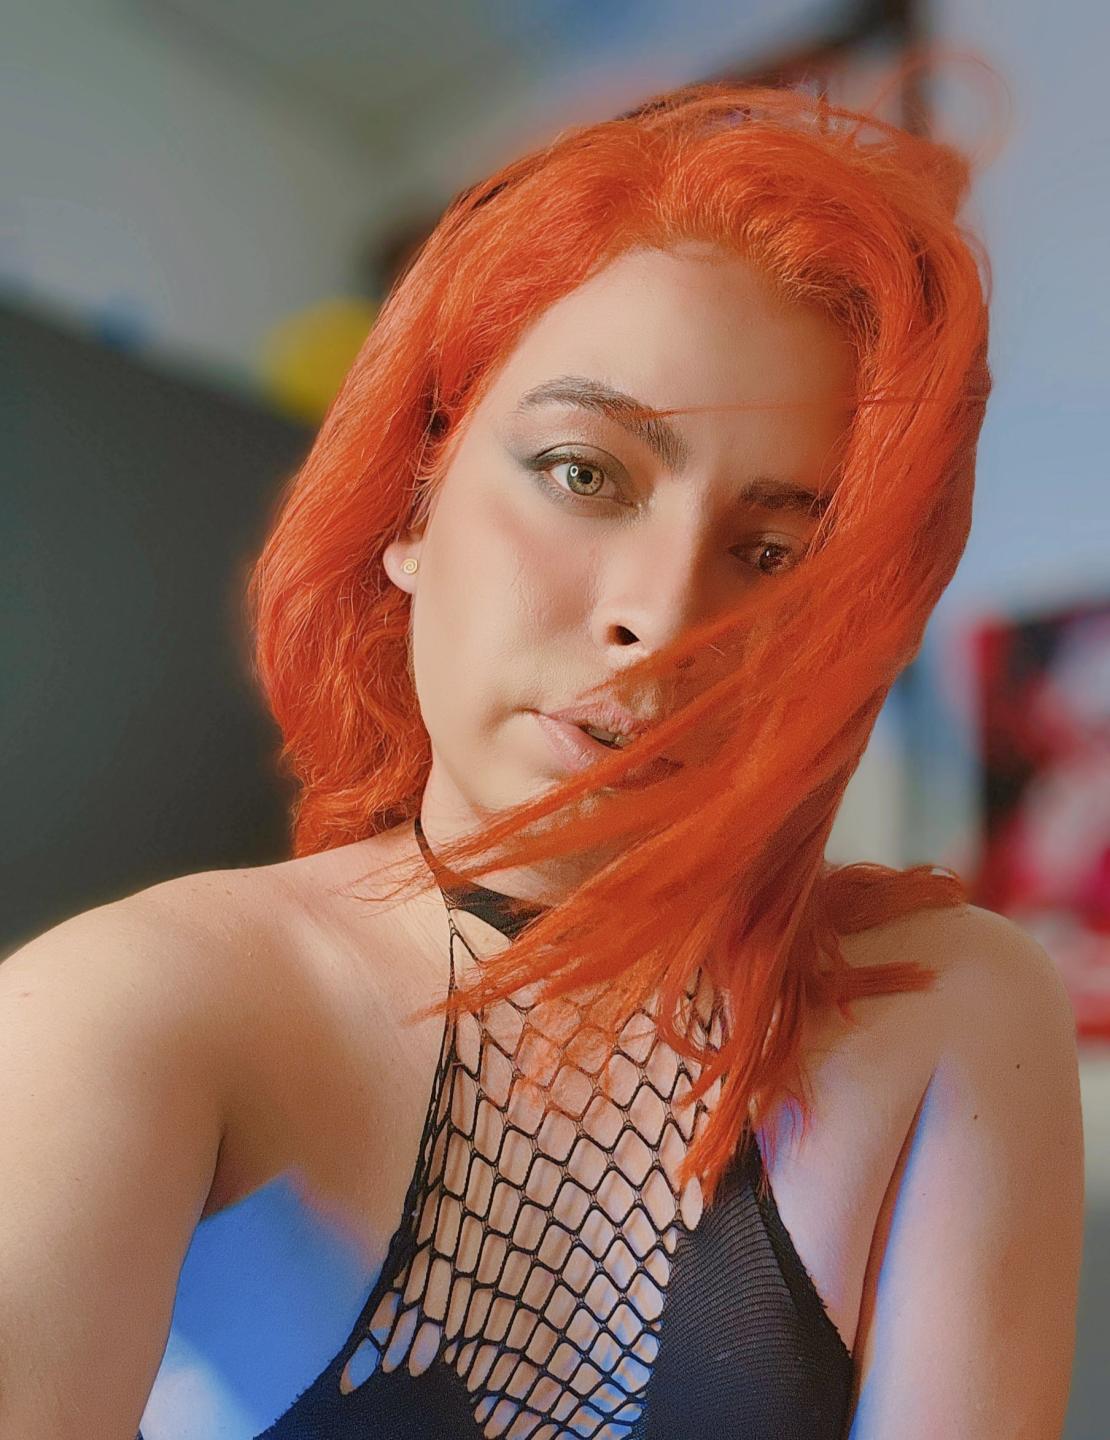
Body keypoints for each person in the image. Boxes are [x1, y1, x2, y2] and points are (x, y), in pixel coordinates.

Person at [0, 80, 1084, 1440]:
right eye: (585, 473)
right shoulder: (130, 1009)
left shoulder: (951, 1016)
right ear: (412, 499)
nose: (662, 616)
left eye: (773, 554)